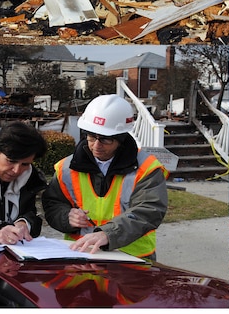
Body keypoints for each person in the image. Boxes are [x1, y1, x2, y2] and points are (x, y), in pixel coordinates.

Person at [42, 94, 168, 261]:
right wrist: (66, 216)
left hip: (133, 259)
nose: (96, 145)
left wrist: (108, 234)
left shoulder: (147, 168)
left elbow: (148, 211)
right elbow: (53, 204)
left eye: (106, 139)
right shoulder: (66, 168)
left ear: (121, 138)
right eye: (92, 137)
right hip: (81, 256)